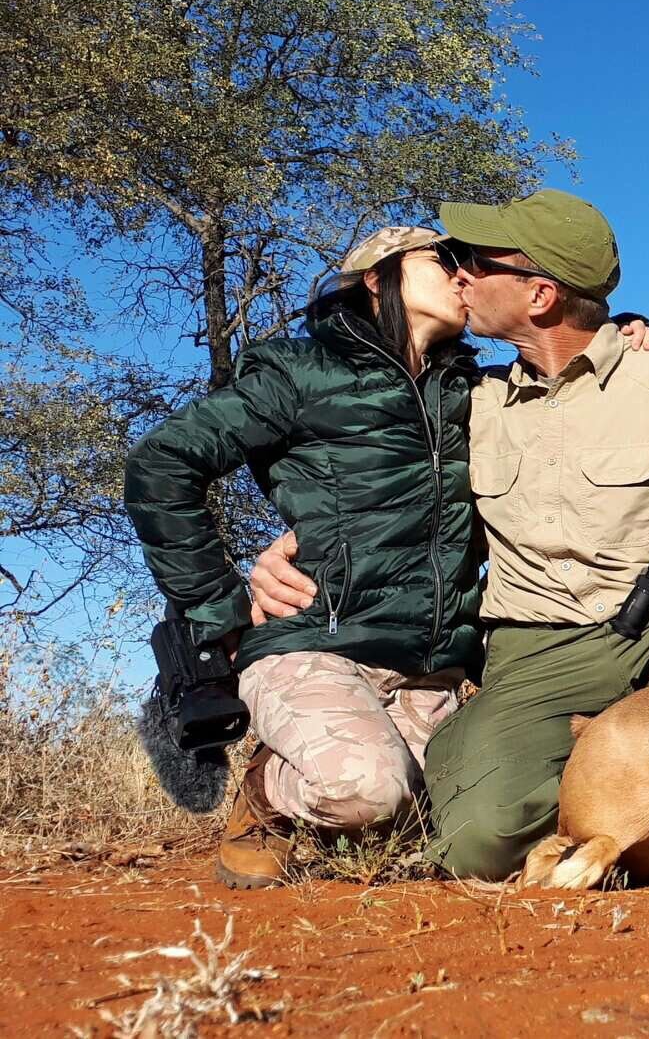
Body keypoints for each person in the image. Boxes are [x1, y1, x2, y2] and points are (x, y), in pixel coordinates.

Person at [248, 190, 649, 880]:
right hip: (542, 651)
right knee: (475, 844)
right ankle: (645, 796)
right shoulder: (465, 400)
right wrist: (292, 544)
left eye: (474, 262)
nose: (457, 274)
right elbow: (373, 493)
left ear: (541, 295)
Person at [125, 227, 485, 889]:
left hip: (434, 669)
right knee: (366, 792)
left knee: (470, 826)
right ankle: (265, 793)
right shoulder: (299, 373)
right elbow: (163, 463)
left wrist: (634, 333)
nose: (465, 275)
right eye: (445, 259)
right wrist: (218, 607)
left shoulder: (472, 389)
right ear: (376, 279)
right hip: (317, 646)